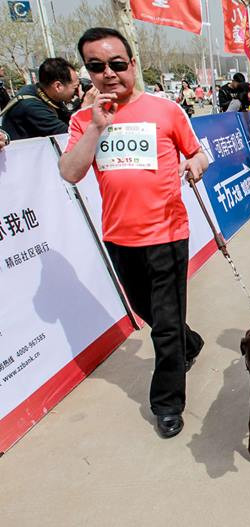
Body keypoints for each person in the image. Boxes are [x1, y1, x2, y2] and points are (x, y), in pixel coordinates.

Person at [59, 27, 208, 438]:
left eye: (117, 64)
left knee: (162, 325)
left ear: (132, 65)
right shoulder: (81, 121)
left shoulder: (166, 111)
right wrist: (95, 127)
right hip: (120, 238)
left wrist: (195, 164)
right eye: (96, 66)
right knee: (151, 313)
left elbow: (196, 152)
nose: (108, 73)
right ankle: (188, 343)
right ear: (87, 72)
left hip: (167, 234)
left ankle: (166, 403)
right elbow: (70, 172)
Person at [1, 57, 78, 140]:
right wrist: (85, 106)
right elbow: (70, 135)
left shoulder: (45, 93)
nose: (77, 91)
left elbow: (70, 119)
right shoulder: (30, 105)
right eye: (75, 87)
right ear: (58, 86)